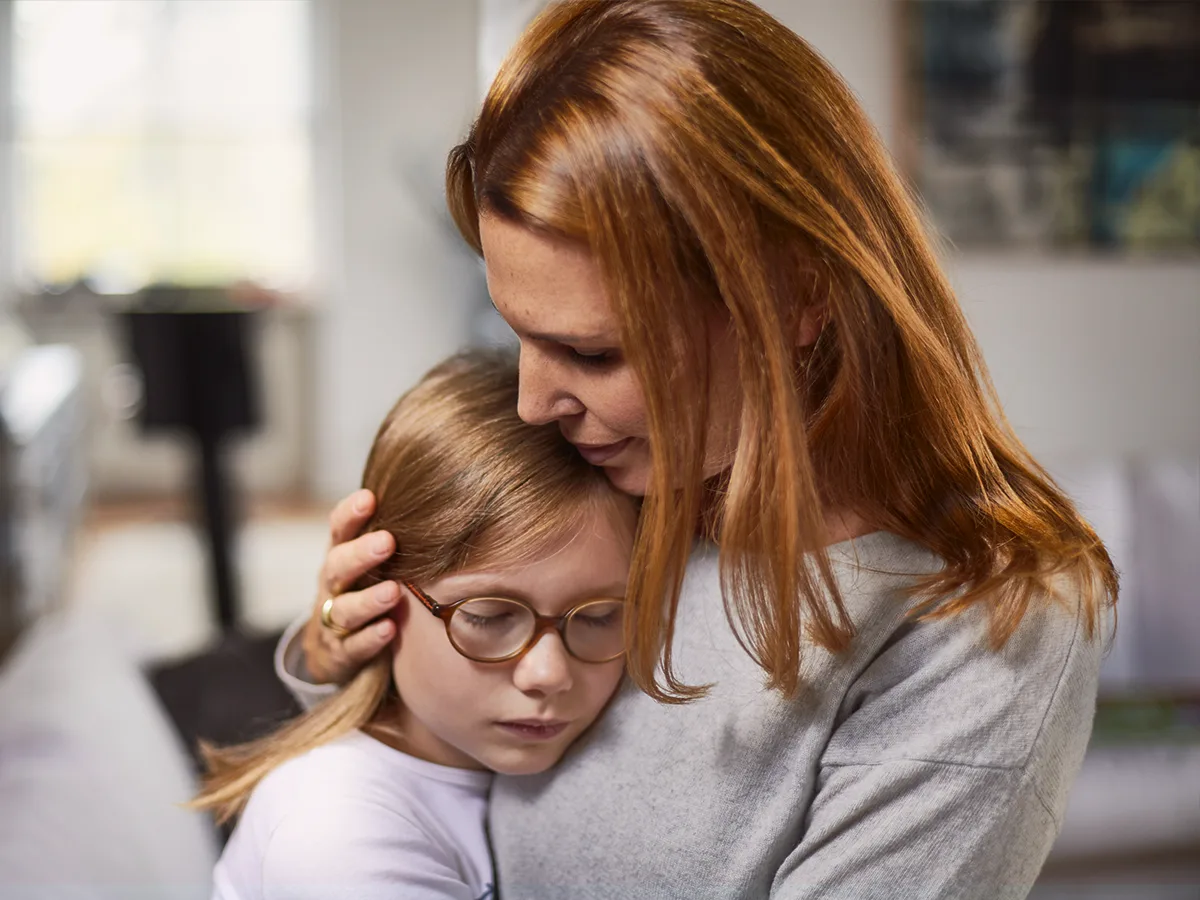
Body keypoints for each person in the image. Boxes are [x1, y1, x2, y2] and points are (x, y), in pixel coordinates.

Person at [279, 1, 1119, 896]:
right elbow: (450, 764)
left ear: (800, 296)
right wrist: (346, 657)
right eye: (517, 331)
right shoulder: (633, 473)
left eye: (594, 353)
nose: (530, 404)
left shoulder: (982, 624)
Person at [196, 352, 636, 900]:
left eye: (599, 616)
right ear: (371, 591)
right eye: (488, 617)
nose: (548, 673)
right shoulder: (334, 832)